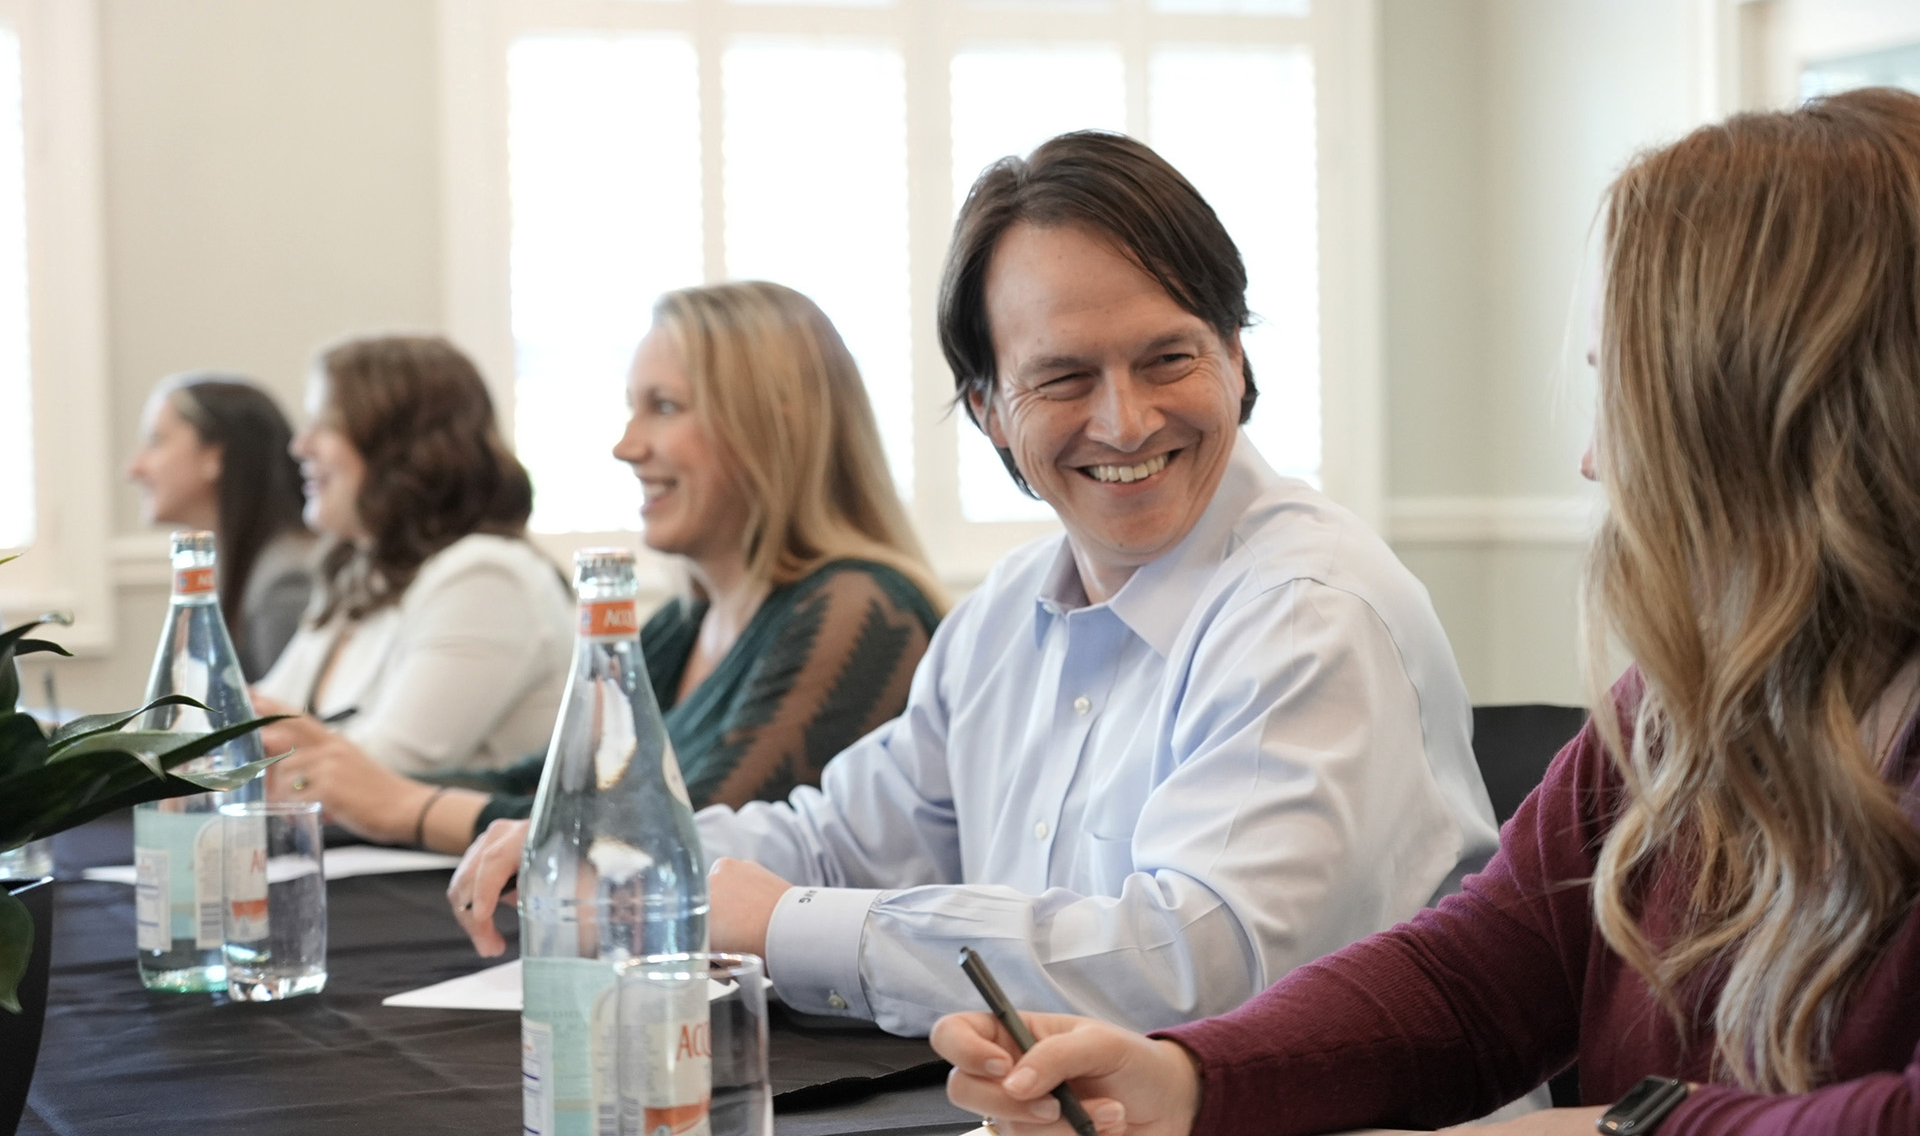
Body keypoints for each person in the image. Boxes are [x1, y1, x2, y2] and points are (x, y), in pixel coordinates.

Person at [931, 88, 1920, 1136]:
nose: (1594, 459)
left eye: (1630, 391)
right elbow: (1475, 979)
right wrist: (1190, 1080)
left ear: (1779, 407)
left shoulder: (1313, 599)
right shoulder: (1690, 704)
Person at [451, 131, 1498, 1038]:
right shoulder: (1005, 614)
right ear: (988, 407)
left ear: (1236, 358)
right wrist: (627, 851)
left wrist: (780, 924)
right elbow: (845, 841)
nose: (1126, 421)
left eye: (1169, 359)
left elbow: (1196, 969)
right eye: (1064, 377)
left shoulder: (1309, 610)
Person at [265, 282, 947, 855]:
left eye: (665, 407)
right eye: (632, 408)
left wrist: (404, 807)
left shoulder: (860, 608)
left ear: (776, 427)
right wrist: (353, 781)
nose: (627, 445)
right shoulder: (683, 625)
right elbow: (548, 782)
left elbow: (682, 841)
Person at [253, 334, 574, 776]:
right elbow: (252, 722)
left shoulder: (486, 577)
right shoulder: (361, 570)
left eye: (325, 424)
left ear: (397, 445)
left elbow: (384, 771)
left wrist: (255, 758)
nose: (300, 445)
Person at [127, 374, 315, 680]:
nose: (134, 469)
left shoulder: (284, 582)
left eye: (156, 441)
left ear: (213, 456)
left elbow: (288, 709)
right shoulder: (222, 566)